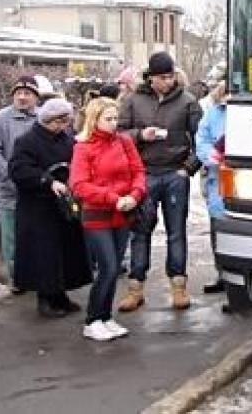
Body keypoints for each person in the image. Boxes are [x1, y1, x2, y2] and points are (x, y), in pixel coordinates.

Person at [117, 51, 202, 311]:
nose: (168, 81)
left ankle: (178, 286)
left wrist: (188, 169)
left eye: (171, 76)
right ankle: (135, 288)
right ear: (151, 78)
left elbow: (203, 140)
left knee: (176, 232)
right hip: (144, 174)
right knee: (140, 231)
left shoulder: (188, 101)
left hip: (175, 173)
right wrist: (141, 134)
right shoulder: (133, 100)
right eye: (163, 77)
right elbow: (119, 134)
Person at [70, 97, 146, 341]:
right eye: (108, 119)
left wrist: (135, 195)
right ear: (95, 120)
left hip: (123, 212)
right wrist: (113, 198)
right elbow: (79, 185)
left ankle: (105, 316)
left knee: (113, 269)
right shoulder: (83, 147)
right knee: (109, 267)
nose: (114, 123)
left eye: (116, 118)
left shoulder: (124, 142)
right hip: (97, 214)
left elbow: (138, 171)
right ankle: (92, 319)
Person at [8, 98, 92, 319]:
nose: (64, 126)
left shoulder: (67, 140)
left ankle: (60, 293)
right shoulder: (27, 141)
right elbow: (19, 170)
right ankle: (45, 298)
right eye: (60, 122)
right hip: (38, 207)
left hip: (63, 204)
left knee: (63, 252)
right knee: (43, 254)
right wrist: (46, 180)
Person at [0, 75, 41, 293]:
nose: (22, 97)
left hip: (37, 189)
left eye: (27, 93)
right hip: (10, 189)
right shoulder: (0, 119)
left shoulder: (43, 118)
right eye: (18, 93)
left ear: (36, 97)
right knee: (12, 237)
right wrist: (9, 175)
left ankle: (38, 273)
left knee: (37, 234)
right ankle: (17, 277)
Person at [195, 80, 228, 294]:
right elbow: (202, 139)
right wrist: (212, 156)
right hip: (219, 178)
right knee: (218, 227)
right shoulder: (214, 113)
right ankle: (223, 274)